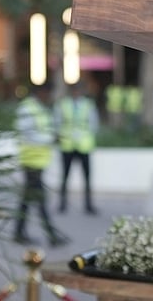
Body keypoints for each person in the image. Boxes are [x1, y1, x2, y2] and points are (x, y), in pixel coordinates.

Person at [13, 83, 68, 246]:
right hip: (31, 161)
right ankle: (51, 235)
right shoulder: (27, 108)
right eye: (48, 93)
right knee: (39, 199)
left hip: (38, 162)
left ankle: (19, 232)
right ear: (41, 92)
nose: (49, 97)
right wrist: (51, 139)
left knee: (27, 200)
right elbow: (27, 134)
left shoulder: (40, 108)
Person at [56, 81, 100, 214]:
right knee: (65, 176)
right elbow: (57, 122)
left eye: (78, 90)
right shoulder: (63, 104)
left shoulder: (88, 105)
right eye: (74, 90)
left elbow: (94, 124)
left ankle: (88, 205)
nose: (76, 93)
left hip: (83, 145)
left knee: (87, 178)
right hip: (67, 145)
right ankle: (62, 204)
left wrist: (84, 134)